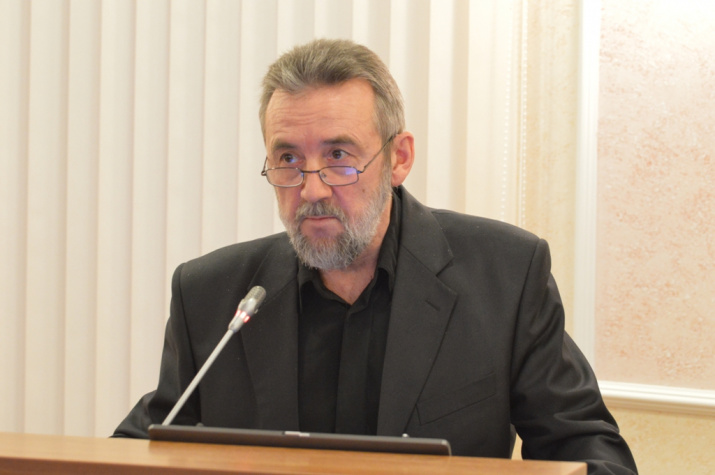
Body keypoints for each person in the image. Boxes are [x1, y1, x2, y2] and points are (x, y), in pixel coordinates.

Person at [113, 38, 637, 474]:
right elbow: (137, 451)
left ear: (398, 158)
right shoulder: (211, 295)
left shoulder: (506, 276)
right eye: (288, 158)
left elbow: (589, 450)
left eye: (339, 156)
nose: (312, 188)